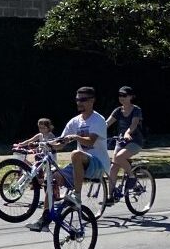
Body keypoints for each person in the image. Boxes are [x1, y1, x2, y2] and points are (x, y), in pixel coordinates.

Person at [27, 87, 110, 232]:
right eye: (77, 99)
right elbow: (60, 143)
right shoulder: (75, 121)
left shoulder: (98, 120)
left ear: (92, 100)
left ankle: (76, 196)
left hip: (97, 164)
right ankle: (45, 219)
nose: (79, 102)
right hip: (79, 164)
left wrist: (75, 137)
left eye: (83, 99)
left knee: (76, 154)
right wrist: (44, 144)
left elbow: (90, 141)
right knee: (53, 177)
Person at [105, 86, 145, 202]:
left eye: (124, 95)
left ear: (131, 97)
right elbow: (107, 123)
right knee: (113, 167)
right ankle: (110, 196)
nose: (121, 97)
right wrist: (95, 131)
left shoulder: (136, 110)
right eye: (120, 95)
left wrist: (127, 133)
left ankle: (132, 177)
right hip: (121, 141)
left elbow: (134, 124)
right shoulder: (118, 111)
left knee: (119, 157)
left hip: (135, 141)